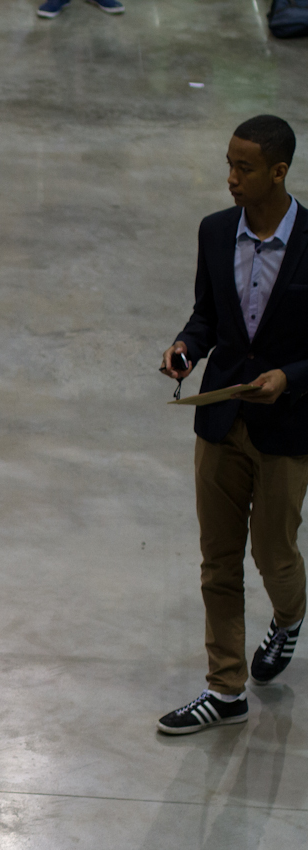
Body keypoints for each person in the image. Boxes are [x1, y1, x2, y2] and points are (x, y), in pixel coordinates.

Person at [158, 114, 308, 735]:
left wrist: (288, 377)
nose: (231, 178)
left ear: (279, 171)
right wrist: (185, 348)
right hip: (220, 418)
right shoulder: (216, 231)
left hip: (286, 428)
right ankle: (225, 689)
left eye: (244, 168)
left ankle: (290, 616)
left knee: (273, 554)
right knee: (218, 560)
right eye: (229, 164)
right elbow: (206, 315)